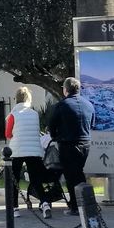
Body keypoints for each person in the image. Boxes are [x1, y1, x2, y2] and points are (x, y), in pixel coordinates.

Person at [5, 87, 59, 217]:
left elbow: (7, 134)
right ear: (28, 99)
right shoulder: (34, 114)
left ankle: (15, 209)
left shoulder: (13, 115)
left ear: (16, 99)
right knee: (36, 179)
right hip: (34, 150)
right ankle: (45, 203)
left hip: (17, 150)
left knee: (15, 179)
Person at [46, 77, 96, 213]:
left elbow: (51, 125)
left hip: (68, 145)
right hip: (86, 145)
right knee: (79, 174)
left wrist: (55, 136)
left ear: (65, 89)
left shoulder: (62, 105)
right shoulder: (89, 105)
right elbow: (92, 124)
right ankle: (86, 203)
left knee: (71, 177)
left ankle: (76, 206)